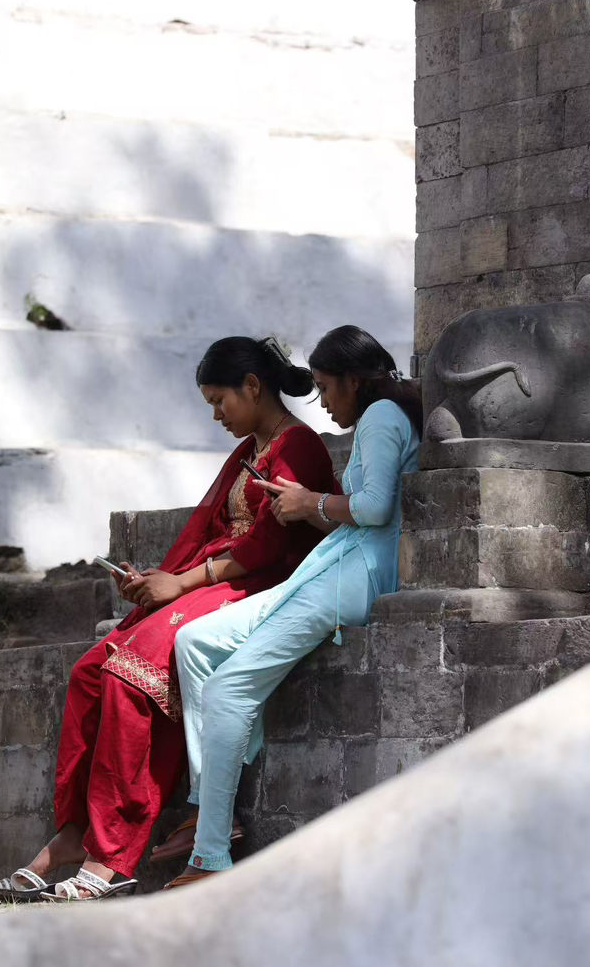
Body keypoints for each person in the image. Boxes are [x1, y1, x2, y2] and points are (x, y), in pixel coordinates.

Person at [0, 336, 339, 904]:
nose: (216, 415)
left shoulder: (300, 445)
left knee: (131, 675)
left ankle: (111, 857)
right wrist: (157, 581)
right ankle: (73, 832)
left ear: (252, 386)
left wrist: (183, 583)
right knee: (88, 673)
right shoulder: (250, 448)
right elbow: (207, 532)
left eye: (219, 400)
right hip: (217, 579)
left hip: (260, 585)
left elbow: (270, 546)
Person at [166, 325, 422, 888]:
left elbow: (377, 509)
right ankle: (212, 795)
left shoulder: (380, 417)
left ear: (354, 381)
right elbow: (360, 511)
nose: (322, 403)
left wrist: (312, 501)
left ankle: (209, 856)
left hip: (358, 574)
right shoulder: (380, 415)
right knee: (195, 642)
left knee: (227, 690)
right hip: (340, 561)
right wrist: (307, 508)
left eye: (326, 388)